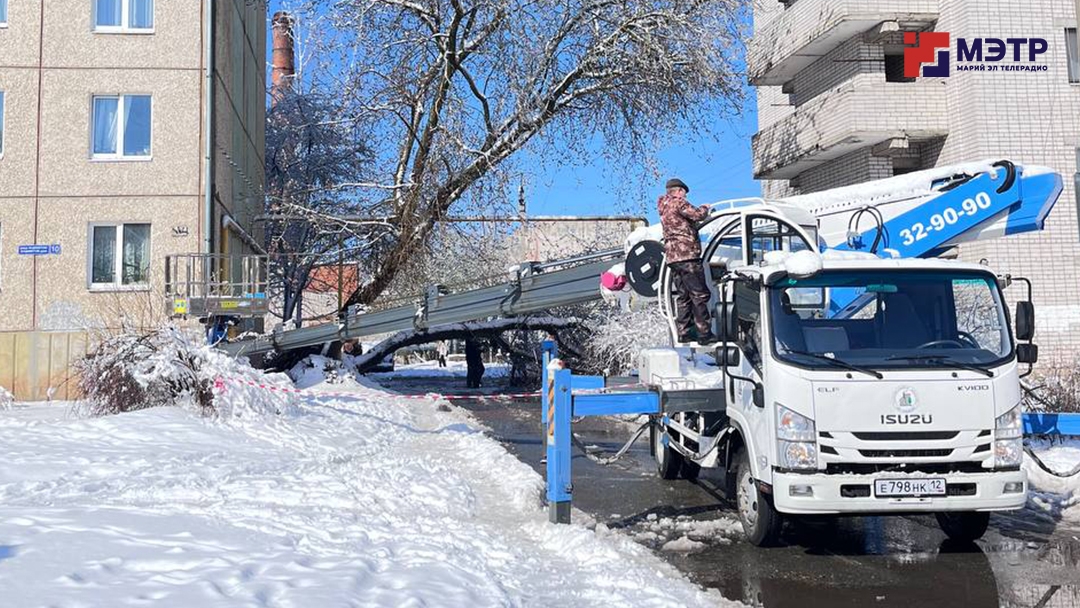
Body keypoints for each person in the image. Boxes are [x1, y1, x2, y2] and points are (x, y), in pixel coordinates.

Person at [658, 178, 716, 344]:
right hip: (687, 254)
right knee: (700, 294)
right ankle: (704, 333)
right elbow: (697, 215)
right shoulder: (678, 203)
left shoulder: (663, 207)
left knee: (684, 295)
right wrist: (705, 207)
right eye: (683, 192)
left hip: (673, 258)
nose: (684, 195)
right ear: (678, 191)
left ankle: (683, 332)